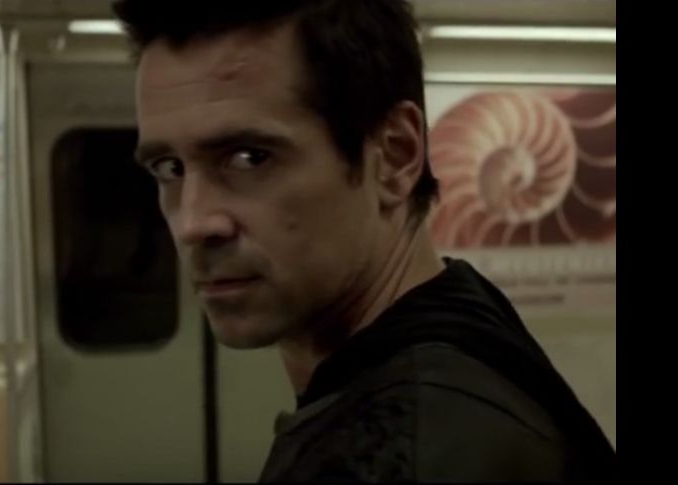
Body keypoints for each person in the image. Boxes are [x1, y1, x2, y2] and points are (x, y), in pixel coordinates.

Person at [112, 0, 616, 481]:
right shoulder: (463, 322)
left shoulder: (406, 448)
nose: (193, 223)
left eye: (249, 158)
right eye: (169, 168)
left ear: (395, 156)